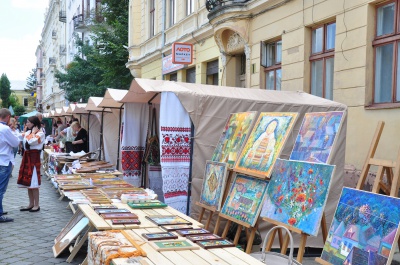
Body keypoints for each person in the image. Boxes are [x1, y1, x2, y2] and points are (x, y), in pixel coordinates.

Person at [17, 116, 45, 212]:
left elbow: (31, 141)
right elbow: (19, 136)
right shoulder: (28, 132)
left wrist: (32, 133)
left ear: (33, 123)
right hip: (27, 156)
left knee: (34, 181)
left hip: (34, 156)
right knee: (28, 182)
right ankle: (31, 203)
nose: (26, 124)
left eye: (28, 122)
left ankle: (36, 205)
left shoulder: (40, 133)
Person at [0, 108, 19, 222]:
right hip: (3, 160)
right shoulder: (5, 129)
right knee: (1, 189)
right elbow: (15, 143)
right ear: (7, 117)